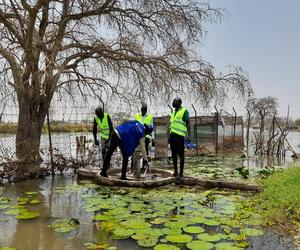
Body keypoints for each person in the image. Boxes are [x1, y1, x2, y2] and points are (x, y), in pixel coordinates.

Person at [169, 98, 190, 179]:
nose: (173, 103)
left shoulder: (184, 111)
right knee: (173, 154)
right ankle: (175, 172)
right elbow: (171, 125)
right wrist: (169, 136)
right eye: (173, 101)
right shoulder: (173, 112)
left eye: (174, 101)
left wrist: (188, 135)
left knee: (181, 154)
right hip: (172, 135)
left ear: (179, 103)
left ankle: (181, 173)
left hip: (179, 136)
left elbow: (188, 123)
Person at [134, 103, 153, 170]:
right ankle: (134, 167)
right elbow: (134, 126)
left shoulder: (150, 117)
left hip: (146, 136)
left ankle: (144, 166)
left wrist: (147, 128)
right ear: (141, 110)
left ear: (146, 110)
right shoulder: (137, 116)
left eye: (145, 110)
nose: (143, 112)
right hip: (138, 135)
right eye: (142, 110)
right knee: (135, 151)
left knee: (145, 150)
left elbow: (151, 128)